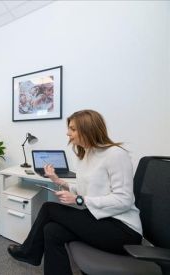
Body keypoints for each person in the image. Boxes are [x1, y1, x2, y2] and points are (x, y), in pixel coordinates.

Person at [7, 109, 142, 275]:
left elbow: (124, 200)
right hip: (99, 219)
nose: (67, 133)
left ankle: (28, 252)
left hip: (122, 230)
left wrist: (79, 200)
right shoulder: (87, 155)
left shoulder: (115, 154)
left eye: (72, 129)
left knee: (49, 208)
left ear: (87, 129)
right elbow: (87, 190)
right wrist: (58, 180)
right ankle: (34, 257)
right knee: (51, 231)